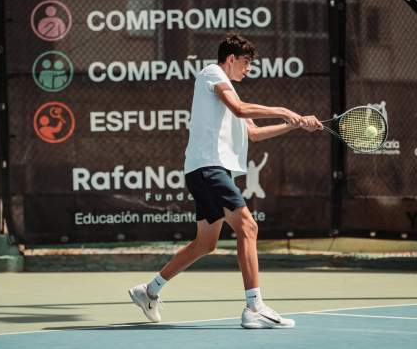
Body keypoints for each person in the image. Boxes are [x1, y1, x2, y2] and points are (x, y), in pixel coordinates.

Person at [129, 33, 322, 329]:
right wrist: (285, 110)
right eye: (246, 62)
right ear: (231, 59)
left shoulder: (229, 90)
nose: (248, 69)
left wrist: (293, 125)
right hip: (209, 168)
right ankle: (254, 307)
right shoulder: (212, 74)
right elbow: (239, 109)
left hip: (207, 171)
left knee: (205, 243)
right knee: (249, 227)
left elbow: (253, 133)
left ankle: (149, 291)